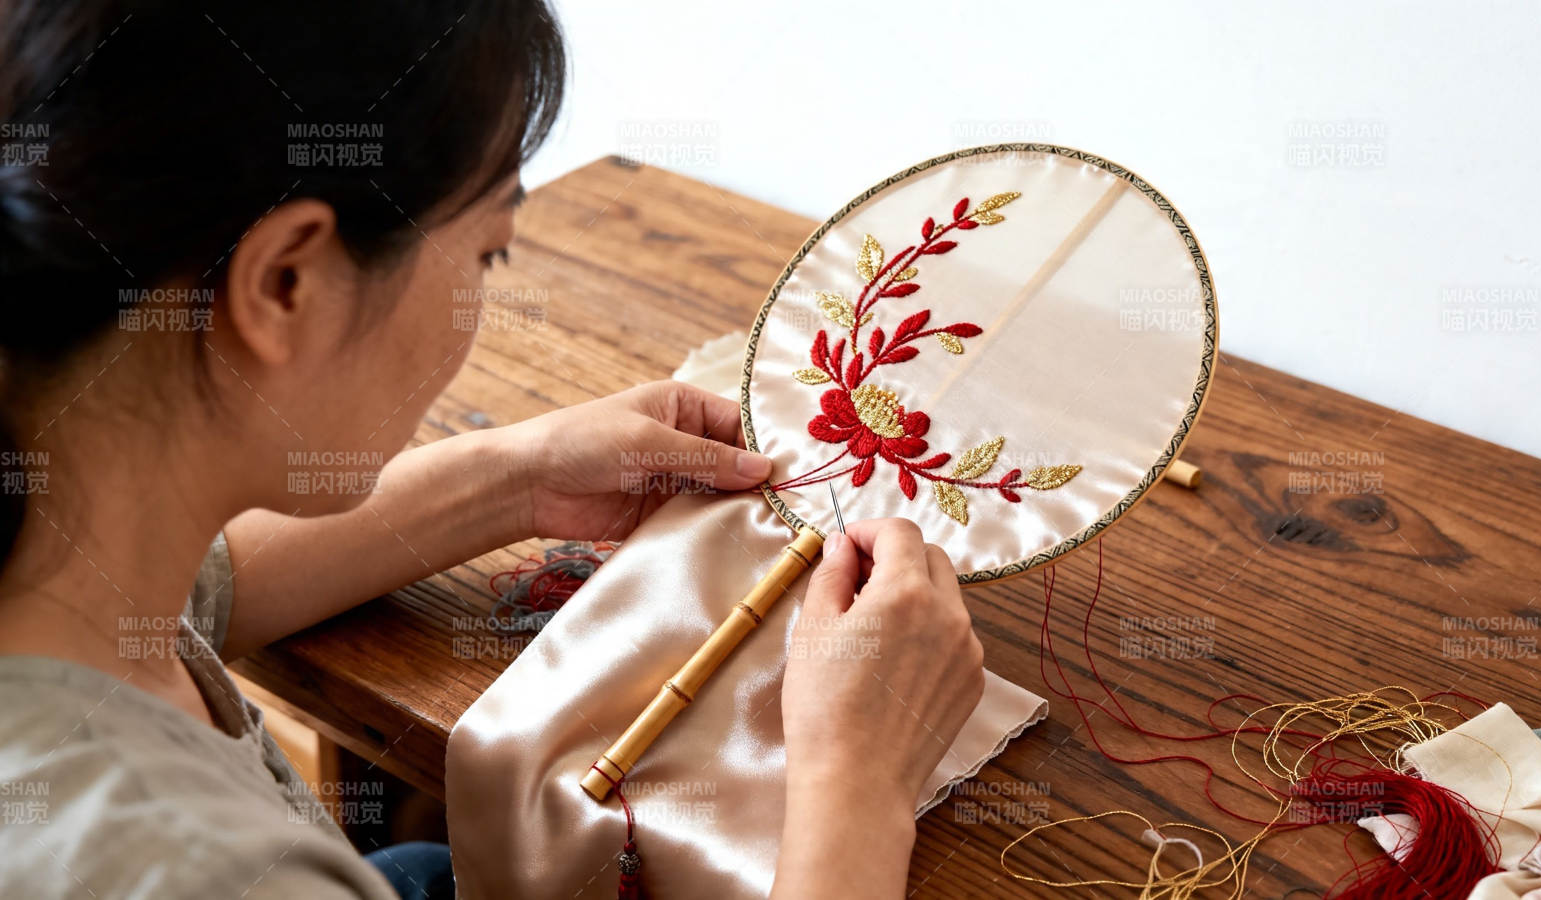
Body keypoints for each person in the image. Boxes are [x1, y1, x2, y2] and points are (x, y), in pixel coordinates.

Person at [0, 2, 985, 898]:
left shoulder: (64, 547)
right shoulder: (191, 870)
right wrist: (856, 781)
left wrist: (515, 479)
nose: (484, 293)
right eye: (488, 252)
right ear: (287, 284)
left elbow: (192, 597)